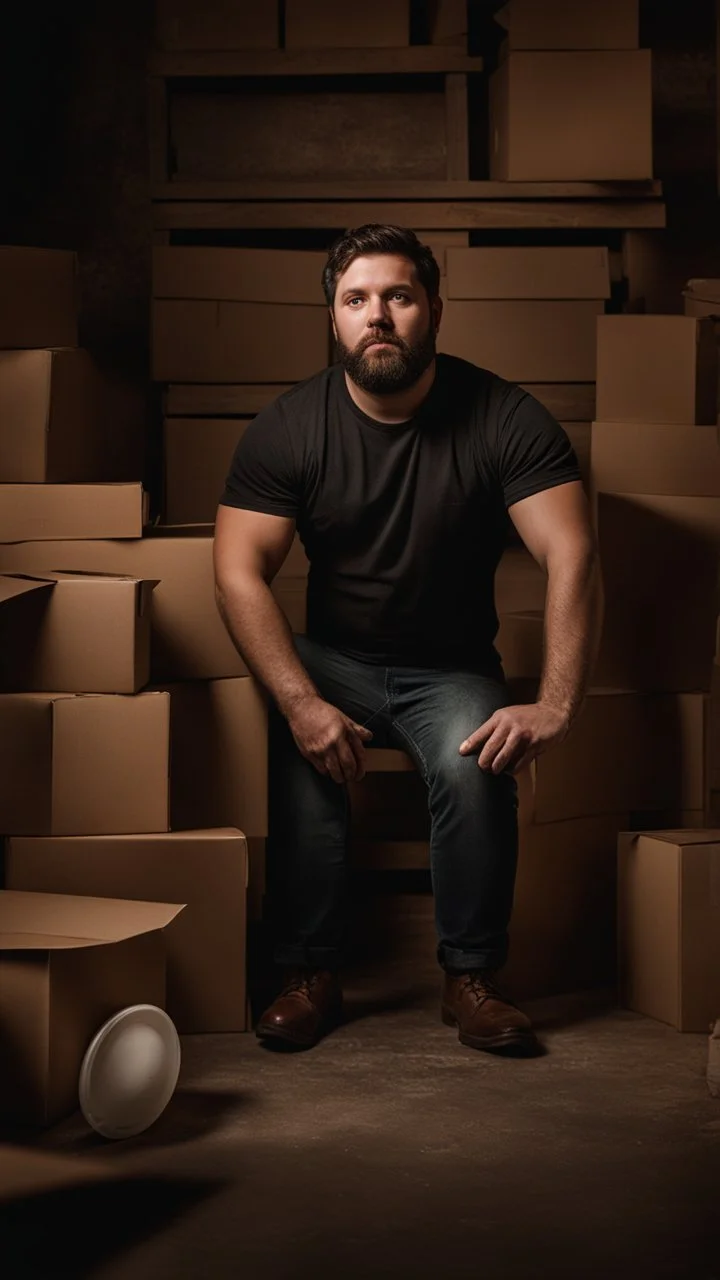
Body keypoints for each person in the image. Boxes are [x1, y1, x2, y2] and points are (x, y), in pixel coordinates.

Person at [213, 224, 603, 1058]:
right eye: (357, 300)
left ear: (433, 310)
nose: (378, 316)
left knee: (476, 761)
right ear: (334, 319)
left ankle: (472, 978)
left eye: (398, 296)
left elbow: (572, 551)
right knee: (300, 744)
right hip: (332, 661)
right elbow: (238, 569)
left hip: (450, 666)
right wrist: (299, 699)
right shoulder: (288, 427)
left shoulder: (505, 416)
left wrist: (557, 703)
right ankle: (306, 972)